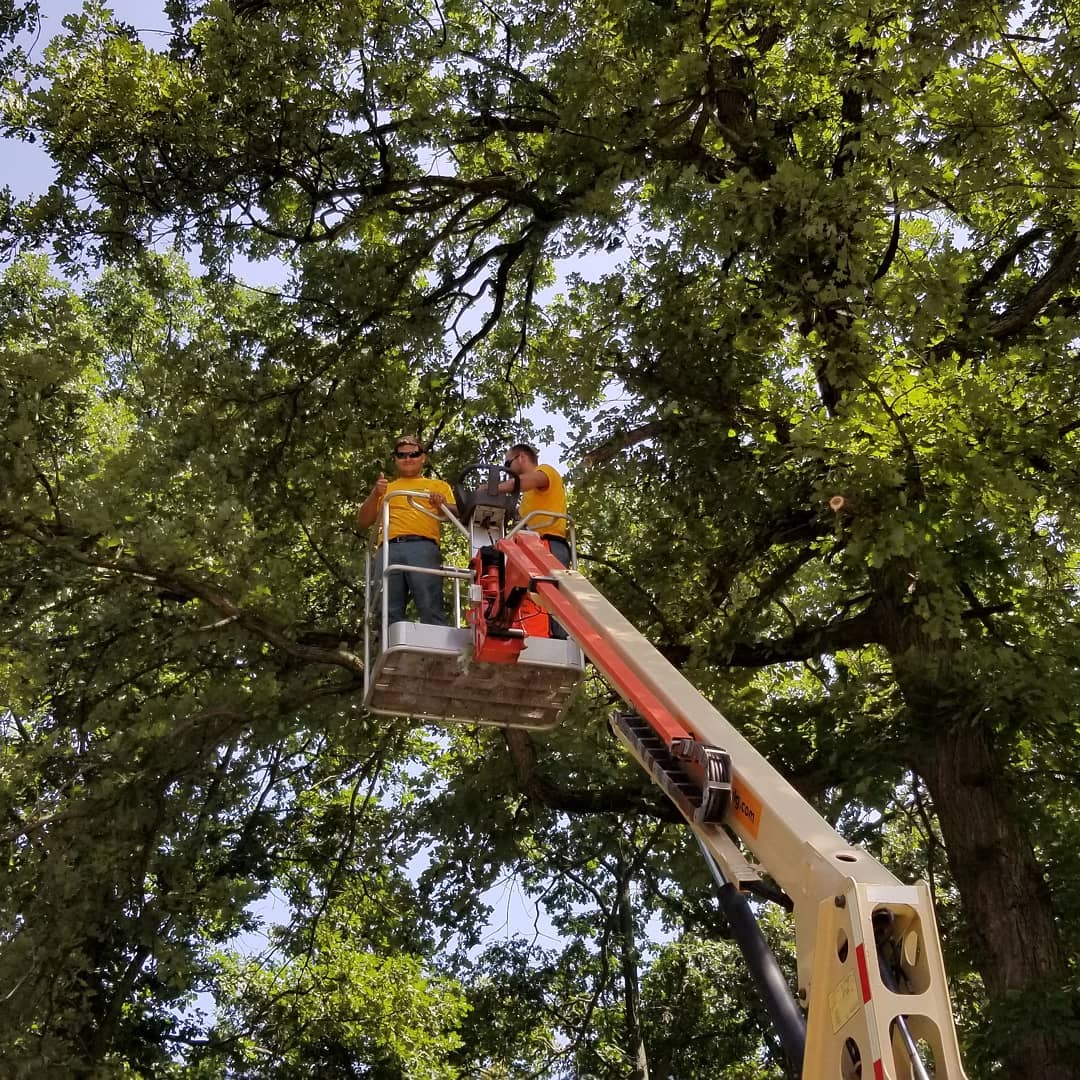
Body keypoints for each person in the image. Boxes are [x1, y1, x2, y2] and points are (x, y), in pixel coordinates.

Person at [356, 434, 455, 626]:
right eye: (401, 455)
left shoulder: (438, 486)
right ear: (395, 459)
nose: (408, 459)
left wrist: (442, 504)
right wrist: (375, 493)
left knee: (429, 604)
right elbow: (363, 521)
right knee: (386, 609)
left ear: (423, 457)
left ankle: (434, 644)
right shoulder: (386, 488)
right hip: (388, 549)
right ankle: (389, 644)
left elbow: (455, 516)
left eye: (413, 454)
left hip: (423, 546)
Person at [498, 443, 570, 639]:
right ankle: (537, 634)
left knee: (552, 599)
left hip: (549, 545)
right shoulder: (528, 497)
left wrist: (492, 489)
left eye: (508, 463)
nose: (507, 469)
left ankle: (559, 640)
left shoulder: (545, 471)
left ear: (521, 457)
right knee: (532, 597)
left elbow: (523, 482)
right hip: (533, 547)